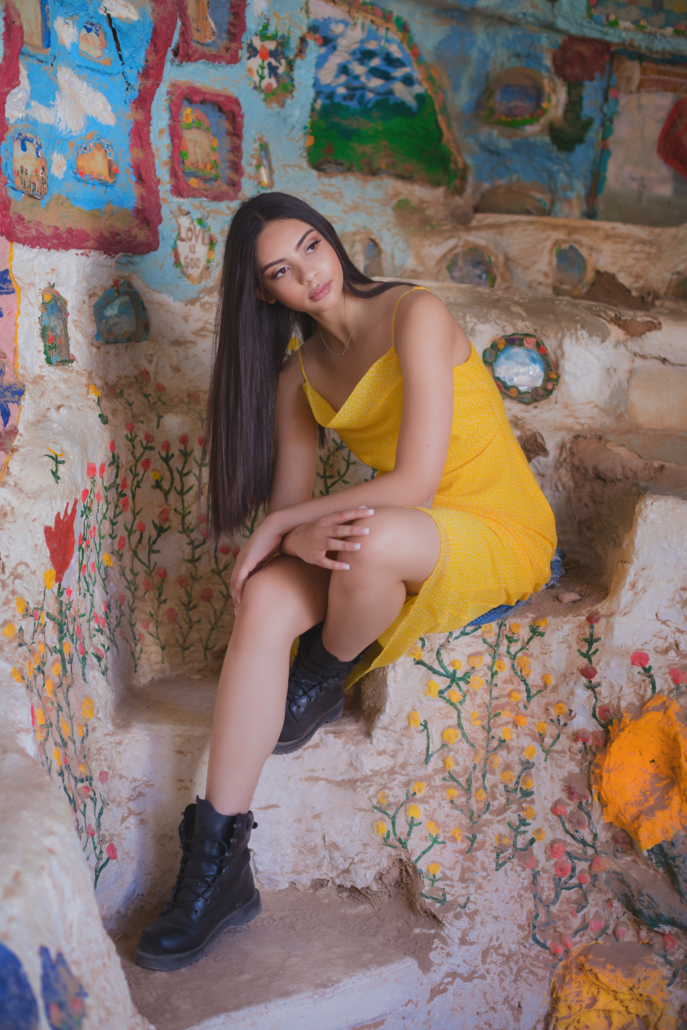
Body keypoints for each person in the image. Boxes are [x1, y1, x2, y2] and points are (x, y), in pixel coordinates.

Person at [135, 192, 556, 970]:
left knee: (365, 540)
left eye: (312, 247)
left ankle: (325, 668)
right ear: (266, 293)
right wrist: (288, 526)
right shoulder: (298, 379)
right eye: (283, 271)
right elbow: (298, 514)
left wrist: (274, 527)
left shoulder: (414, 315)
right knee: (265, 594)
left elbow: (418, 476)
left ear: (332, 241)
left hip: (491, 524)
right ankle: (218, 861)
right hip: (398, 531)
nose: (309, 274)